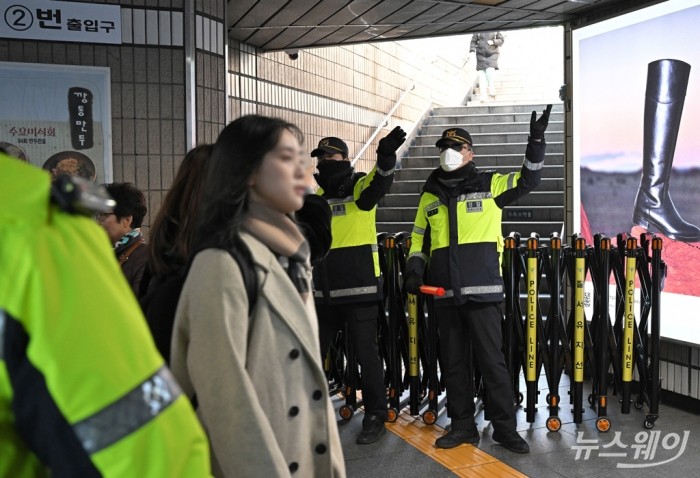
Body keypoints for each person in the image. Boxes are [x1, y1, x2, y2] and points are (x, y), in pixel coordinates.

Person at [0, 152, 211, 476]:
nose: (97, 223)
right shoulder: (34, 223)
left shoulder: (138, 257)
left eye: (103, 218)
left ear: (127, 220)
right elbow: (145, 446)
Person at [170, 114, 345, 477]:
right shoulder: (221, 263)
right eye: (286, 159)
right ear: (247, 172)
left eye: (302, 159)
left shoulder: (290, 256)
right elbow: (226, 403)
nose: (302, 172)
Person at [403, 105, 553, 454]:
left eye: (456, 148)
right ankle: (463, 427)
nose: (449, 154)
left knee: (492, 363)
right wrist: (413, 270)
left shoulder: (490, 184)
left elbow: (529, 180)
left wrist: (536, 141)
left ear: (470, 153)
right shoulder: (429, 195)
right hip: (444, 293)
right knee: (454, 365)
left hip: (483, 293)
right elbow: (417, 239)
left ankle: (504, 429)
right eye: (444, 148)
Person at [311, 126, 406, 445]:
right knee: (310, 356)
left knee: (367, 355)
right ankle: (305, 416)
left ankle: (376, 414)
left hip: (360, 290)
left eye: (331, 156)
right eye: (321, 157)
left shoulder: (360, 188)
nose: (325, 161)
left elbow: (382, 179)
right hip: (324, 294)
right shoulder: (316, 201)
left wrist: (386, 155)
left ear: (345, 158)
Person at [98, 182, 149, 295]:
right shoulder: (104, 253)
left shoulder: (145, 258)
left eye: (104, 215)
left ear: (127, 220)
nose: (98, 222)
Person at [469, 31, 505, 102]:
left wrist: (493, 42)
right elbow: (473, 41)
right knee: (482, 75)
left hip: (493, 53)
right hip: (480, 55)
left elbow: (501, 40)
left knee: (489, 70)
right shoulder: (478, 30)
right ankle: (483, 95)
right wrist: (472, 50)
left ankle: (491, 85)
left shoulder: (495, 29)